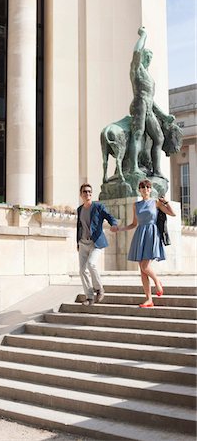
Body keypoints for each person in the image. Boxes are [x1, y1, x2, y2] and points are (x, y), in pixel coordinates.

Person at [116, 179, 175, 307]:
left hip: (152, 234)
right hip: (140, 235)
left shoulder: (156, 203)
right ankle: (149, 299)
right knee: (142, 270)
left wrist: (166, 202)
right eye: (143, 187)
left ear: (150, 189)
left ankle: (157, 282)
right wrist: (120, 229)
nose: (145, 189)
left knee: (145, 266)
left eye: (147, 187)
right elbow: (134, 224)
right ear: (140, 190)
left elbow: (173, 213)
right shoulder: (136, 205)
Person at [128, 26, 175, 176]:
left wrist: (164, 116)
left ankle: (157, 171)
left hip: (148, 106)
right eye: (147, 56)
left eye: (150, 58)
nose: (149, 60)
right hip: (139, 104)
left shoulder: (149, 77)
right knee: (138, 133)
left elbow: (152, 101)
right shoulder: (137, 69)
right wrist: (143, 36)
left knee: (159, 137)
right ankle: (134, 167)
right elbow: (136, 52)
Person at [77, 183, 118, 306]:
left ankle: (99, 289)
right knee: (82, 270)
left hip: (96, 242)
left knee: (91, 264)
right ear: (81, 194)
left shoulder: (98, 206)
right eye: (85, 191)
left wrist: (114, 224)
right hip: (83, 243)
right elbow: (79, 227)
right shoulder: (80, 209)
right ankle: (89, 297)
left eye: (89, 191)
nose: (87, 193)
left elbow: (109, 216)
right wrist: (77, 242)